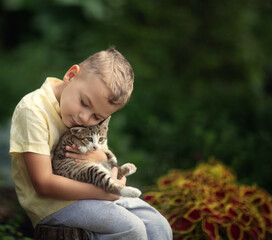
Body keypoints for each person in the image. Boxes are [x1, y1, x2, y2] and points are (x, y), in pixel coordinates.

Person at [9, 47, 173, 240]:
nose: (85, 118)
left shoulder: (93, 119)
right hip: (54, 205)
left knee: (158, 226)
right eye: (84, 103)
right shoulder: (33, 110)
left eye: (97, 116)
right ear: (71, 75)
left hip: (96, 190)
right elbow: (43, 183)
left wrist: (111, 173)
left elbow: (101, 155)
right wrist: (105, 193)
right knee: (131, 229)